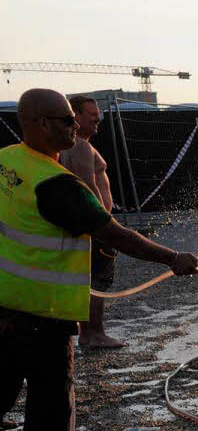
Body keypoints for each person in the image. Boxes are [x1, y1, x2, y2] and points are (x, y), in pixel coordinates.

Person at [0, 89, 198, 431]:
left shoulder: (6, 161)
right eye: (66, 119)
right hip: (43, 311)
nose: (75, 125)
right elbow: (114, 233)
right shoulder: (54, 183)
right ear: (40, 123)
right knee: (51, 396)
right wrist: (173, 258)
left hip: (6, 307)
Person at [59, 94, 122, 349]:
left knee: (93, 278)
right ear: (75, 115)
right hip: (96, 227)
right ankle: (93, 333)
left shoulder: (73, 146)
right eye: (92, 114)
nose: (98, 119)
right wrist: (106, 226)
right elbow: (87, 186)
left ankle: (90, 332)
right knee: (98, 279)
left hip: (90, 225)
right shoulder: (80, 146)